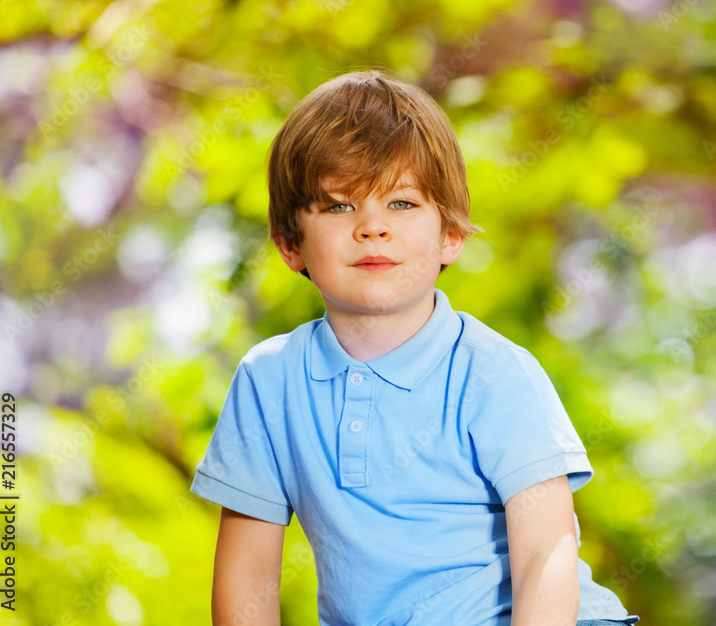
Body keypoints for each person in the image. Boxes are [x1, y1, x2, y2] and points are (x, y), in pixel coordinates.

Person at [190, 69, 640, 626]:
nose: (372, 227)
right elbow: (247, 576)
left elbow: (545, 552)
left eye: (402, 204)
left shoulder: (493, 373)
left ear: (450, 234)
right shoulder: (269, 381)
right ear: (290, 245)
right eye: (338, 206)